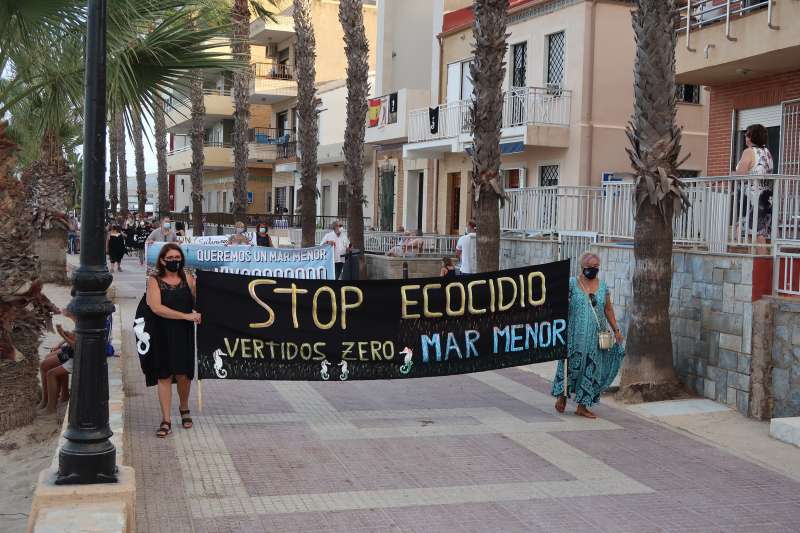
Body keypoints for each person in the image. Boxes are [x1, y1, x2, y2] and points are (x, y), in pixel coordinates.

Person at [552, 252, 625, 419]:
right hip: (573, 336)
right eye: (590, 267)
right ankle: (562, 397)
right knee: (568, 366)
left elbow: (608, 309)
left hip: (595, 338)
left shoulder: (603, 287)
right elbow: (558, 304)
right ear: (582, 267)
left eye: (596, 267)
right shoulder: (571, 284)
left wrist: (616, 330)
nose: (593, 270)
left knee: (591, 369)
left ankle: (582, 406)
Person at [146, 243, 201, 438]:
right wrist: (186, 316)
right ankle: (166, 419)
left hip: (183, 334)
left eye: (178, 258)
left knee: (184, 375)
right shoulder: (154, 280)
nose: (175, 261)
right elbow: (156, 308)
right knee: (164, 375)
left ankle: (184, 407)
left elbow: (198, 300)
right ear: (162, 260)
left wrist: (197, 311)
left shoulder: (187, 277)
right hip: (161, 332)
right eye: (170, 258)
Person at [735, 124, 774, 249]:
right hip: (766, 197)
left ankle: (754, 265)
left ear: (752, 137)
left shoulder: (749, 152)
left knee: (749, 234)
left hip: (751, 198)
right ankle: (762, 263)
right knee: (760, 233)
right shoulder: (767, 152)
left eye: (747, 134)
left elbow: (741, 174)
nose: (745, 137)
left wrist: (732, 173)